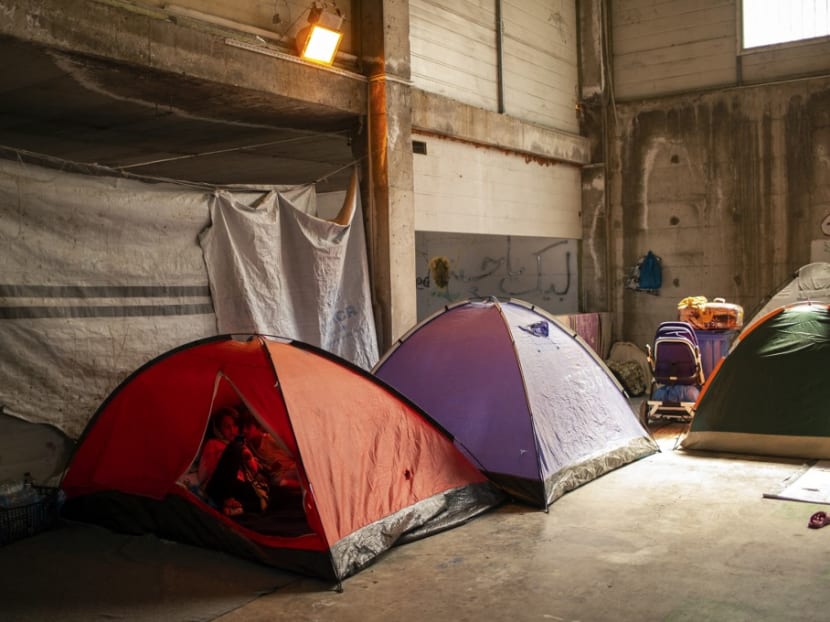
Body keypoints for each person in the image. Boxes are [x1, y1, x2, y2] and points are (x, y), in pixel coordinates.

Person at [238, 411, 298, 486]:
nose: (245, 431)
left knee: (280, 482)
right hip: (278, 475)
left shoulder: (269, 438)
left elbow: (290, 451)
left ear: (256, 426)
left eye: (248, 427)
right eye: (242, 429)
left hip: (291, 468)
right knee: (277, 482)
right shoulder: (249, 447)